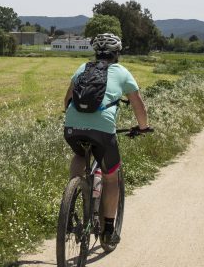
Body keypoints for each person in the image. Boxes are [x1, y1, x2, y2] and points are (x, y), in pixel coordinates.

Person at [63, 32, 150, 245]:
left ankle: (73, 197)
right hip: (102, 131)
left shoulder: (83, 68)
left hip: (72, 126)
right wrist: (143, 127)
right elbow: (138, 104)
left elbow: (67, 100)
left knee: (79, 154)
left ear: (96, 52)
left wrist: (76, 120)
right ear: (117, 53)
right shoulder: (122, 72)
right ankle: (109, 230)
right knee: (111, 178)